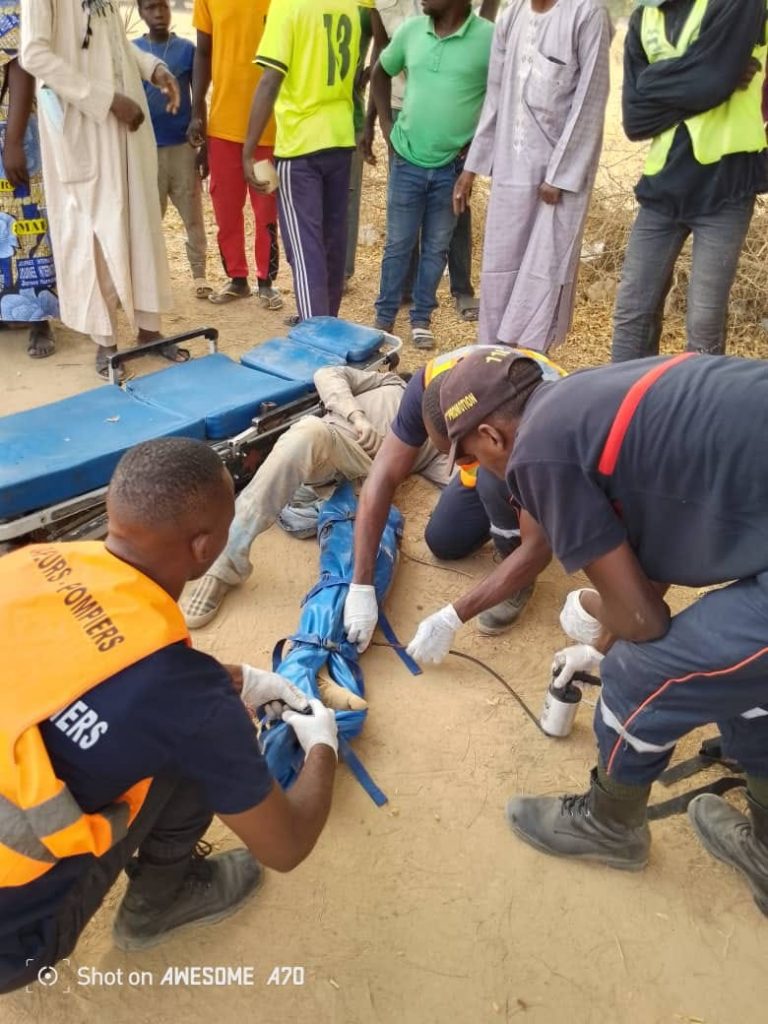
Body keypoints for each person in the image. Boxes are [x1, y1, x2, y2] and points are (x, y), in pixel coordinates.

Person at [429, 346, 768, 914]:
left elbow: (643, 618)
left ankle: (612, 825)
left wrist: (601, 620)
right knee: (732, 666)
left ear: (490, 436)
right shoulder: (585, 400)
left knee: (641, 675)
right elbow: (648, 557)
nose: (475, 473)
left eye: (468, 460)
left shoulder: (537, 455)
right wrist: (597, 643)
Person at [0, 437, 339, 994]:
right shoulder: (189, 700)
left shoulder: (36, 561)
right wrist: (321, 743)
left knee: (185, 734)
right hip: (15, 942)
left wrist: (218, 683)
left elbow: (66, 667)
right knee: (192, 752)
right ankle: (156, 906)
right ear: (204, 546)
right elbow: (288, 847)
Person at [182, 362, 451, 629]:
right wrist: (357, 417)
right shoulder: (390, 383)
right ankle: (224, 566)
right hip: (332, 442)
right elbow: (326, 373)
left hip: (367, 476)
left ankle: (309, 503)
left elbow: (463, 482)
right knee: (308, 430)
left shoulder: (443, 442)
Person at [342, 344, 562, 657]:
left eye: (465, 454)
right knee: (444, 540)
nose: (458, 465)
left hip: (528, 456)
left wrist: (452, 616)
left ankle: (517, 578)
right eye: (451, 455)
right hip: (497, 449)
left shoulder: (541, 432)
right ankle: (496, 501)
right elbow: (383, 475)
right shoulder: (427, 387)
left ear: (488, 434)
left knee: (493, 479)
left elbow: (538, 549)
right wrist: (361, 586)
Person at [21, 0, 185, 381]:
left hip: (124, 125)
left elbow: (114, 44)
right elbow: (34, 53)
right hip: (84, 127)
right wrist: (107, 100)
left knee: (138, 221)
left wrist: (153, 68)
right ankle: (105, 338)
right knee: (94, 231)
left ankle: (148, 328)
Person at [610, 0, 767, 362]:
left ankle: (695, 409)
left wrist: (656, 79)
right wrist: (715, 79)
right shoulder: (642, 18)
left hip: (726, 185)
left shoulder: (736, 4)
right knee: (632, 311)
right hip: (663, 185)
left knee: (705, 321)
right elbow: (635, 119)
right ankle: (623, 401)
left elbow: (712, 80)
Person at [453, 0, 611, 351]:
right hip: (511, 169)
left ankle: (529, 370)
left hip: (559, 180)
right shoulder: (511, 16)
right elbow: (494, 97)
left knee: (544, 270)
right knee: (500, 266)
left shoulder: (587, 14)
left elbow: (591, 100)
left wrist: (560, 174)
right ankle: (491, 361)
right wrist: (472, 168)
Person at [365, 0, 500, 323]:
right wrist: (385, 125)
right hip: (407, 159)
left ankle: (422, 317)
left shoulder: (490, 39)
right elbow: (380, 72)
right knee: (398, 244)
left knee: (437, 245)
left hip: (452, 168)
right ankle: (383, 319)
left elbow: (499, 98)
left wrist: (476, 149)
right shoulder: (411, 31)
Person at [242, 0, 363, 322]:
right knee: (331, 242)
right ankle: (328, 322)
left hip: (301, 142)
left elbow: (270, 79)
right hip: (339, 135)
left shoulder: (289, 6)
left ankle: (316, 333)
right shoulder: (348, 6)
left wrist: (248, 149)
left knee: (304, 246)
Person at [189, 0, 283, 310]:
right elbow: (203, 52)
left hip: (269, 127)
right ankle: (237, 279)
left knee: (266, 210)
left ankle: (266, 282)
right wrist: (197, 109)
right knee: (226, 209)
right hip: (223, 127)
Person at [135, 0, 210, 299]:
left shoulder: (187, 50)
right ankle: (148, 278)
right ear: (140, 12)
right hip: (146, 149)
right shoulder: (133, 51)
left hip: (181, 147)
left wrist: (202, 135)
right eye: (151, 8)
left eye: (163, 7)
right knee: (149, 219)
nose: (158, 14)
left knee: (192, 214)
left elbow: (199, 96)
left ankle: (200, 275)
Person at [0, 1, 58, 359]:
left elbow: (20, 68)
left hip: (11, 130)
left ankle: (40, 318)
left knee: (27, 228)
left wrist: (14, 142)